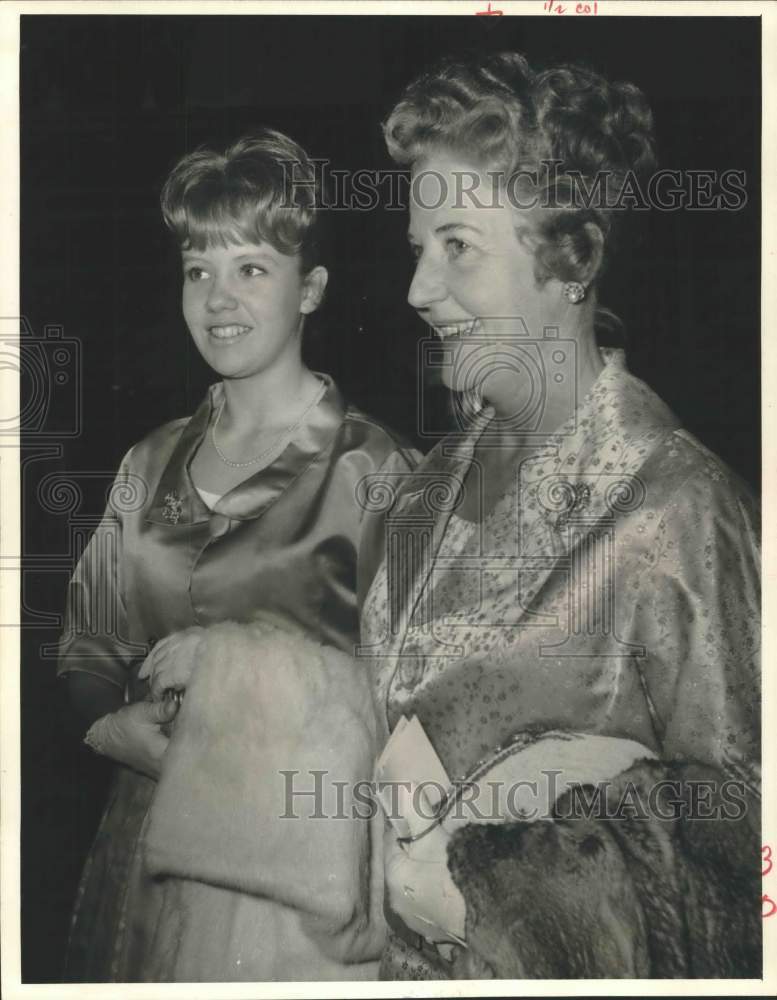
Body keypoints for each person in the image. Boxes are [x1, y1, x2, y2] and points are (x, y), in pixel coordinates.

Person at [359, 52, 761, 979]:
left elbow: (744, 833)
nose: (418, 289)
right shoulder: (429, 483)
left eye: (457, 246)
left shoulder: (679, 505)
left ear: (571, 257)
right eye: (418, 249)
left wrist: (493, 888)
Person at [57, 128, 419, 981]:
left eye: (251, 268)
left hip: (299, 877)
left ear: (312, 289)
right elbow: (88, 642)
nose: (218, 299)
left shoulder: (377, 468)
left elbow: (412, 702)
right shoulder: (146, 463)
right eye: (197, 269)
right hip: (144, 858)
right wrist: (108, 725)